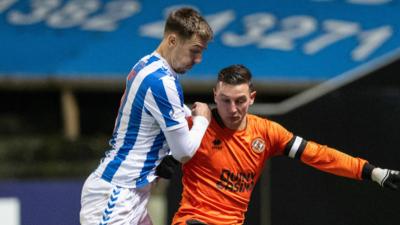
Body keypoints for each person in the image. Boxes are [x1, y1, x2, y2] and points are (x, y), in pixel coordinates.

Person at [156, 64, 400, 225]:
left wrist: (373, 172)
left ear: (252, 98)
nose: (232, 109)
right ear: (214, 96)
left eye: (240, 100)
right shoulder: (196, 124)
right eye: (225, 100)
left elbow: (320, 155)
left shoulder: (267, 132)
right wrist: (164, 159)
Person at [79, 7, 214, 225]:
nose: (198, 59)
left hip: (132, 192)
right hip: (117, 194)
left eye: (202, 52)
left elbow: (175, 116)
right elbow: (184, 152)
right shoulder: (161, 82)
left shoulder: (148, 65)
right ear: (172, 40)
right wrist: (203, 120)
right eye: (195, 50)